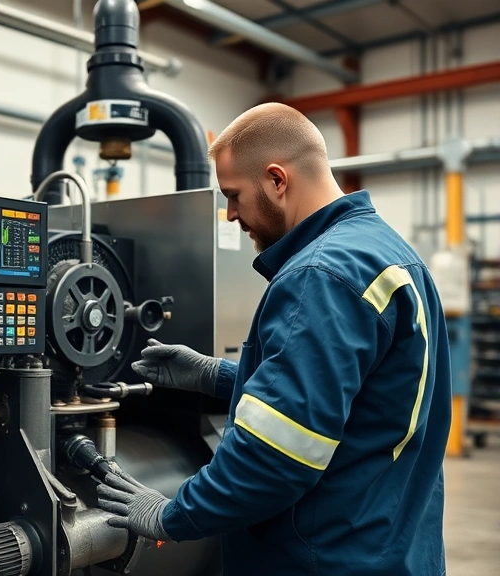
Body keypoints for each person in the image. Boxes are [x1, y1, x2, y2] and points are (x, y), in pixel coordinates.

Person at [96, 102, 451, 575]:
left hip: (326, 556)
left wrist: (172, 514)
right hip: (392, 544)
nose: (229, 214)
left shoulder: (319, 275)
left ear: (277, 180)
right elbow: (357, 394)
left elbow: (276, 456)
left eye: (234, 195)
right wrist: (215, 376)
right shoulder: (386, 253)